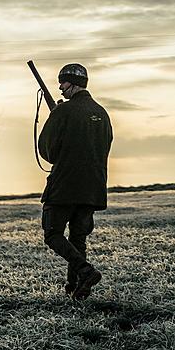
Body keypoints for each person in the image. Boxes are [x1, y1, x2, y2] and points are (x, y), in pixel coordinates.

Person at [38, 63, 113, 300]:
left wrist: (56, 118)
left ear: (71, 83)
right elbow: (105, 146)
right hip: (93, 188)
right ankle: (76, 288)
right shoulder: (102, 113)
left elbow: (48, 152)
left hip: (64, 186)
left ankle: (85, 271)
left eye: (62, 82)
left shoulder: (63, 112)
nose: (59, 88)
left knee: (53, 234)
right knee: (78, 238)